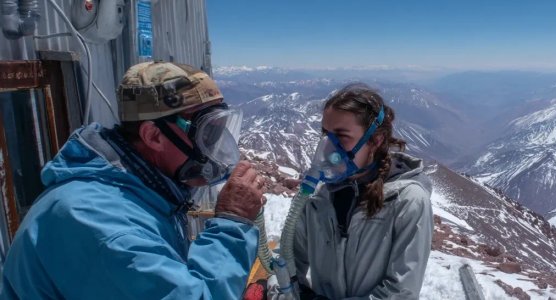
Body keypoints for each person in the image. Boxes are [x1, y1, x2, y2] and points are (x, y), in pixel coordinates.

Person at [0, 62, 266, 299]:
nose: (215, 150)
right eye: (208, 134)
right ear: (153, 136)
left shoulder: (140, 193)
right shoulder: (100, 224)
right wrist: (233, 221)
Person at [292, 83, 434, 299]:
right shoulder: (317, 198)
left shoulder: (407, 202)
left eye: (341, 136)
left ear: (375, 140)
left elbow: (400, 292)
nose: (329, 147)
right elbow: (287, 258)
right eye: (325, 134)